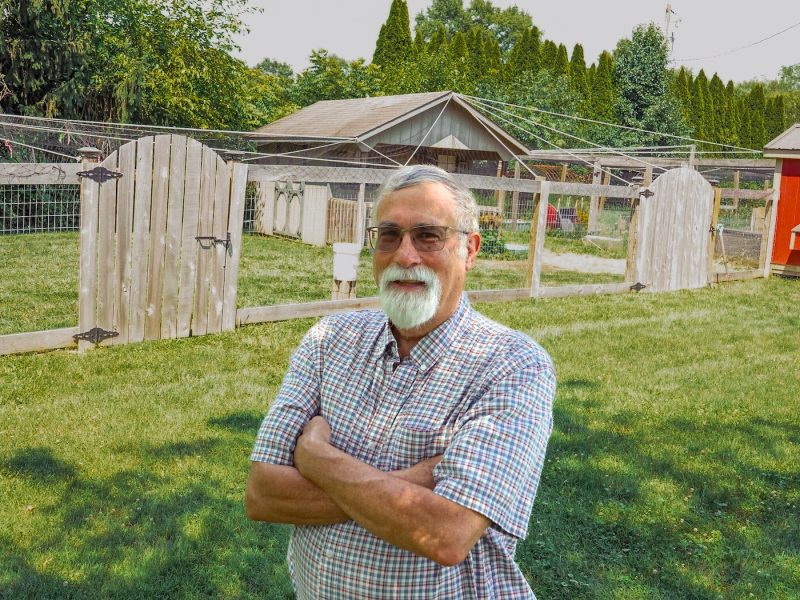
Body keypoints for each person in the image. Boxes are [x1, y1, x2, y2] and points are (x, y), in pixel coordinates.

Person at [246, 164, 556, 599]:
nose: (404, 256)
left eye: (428, 236)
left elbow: (446, 533)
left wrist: (316, 458)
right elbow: (263, 495)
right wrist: (420, 479)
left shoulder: (512, 364)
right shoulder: (328, 340)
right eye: (389, 235)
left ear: (470, 249)